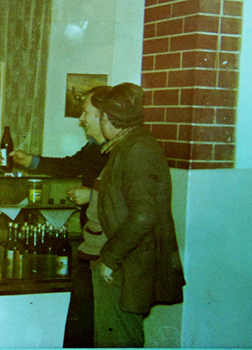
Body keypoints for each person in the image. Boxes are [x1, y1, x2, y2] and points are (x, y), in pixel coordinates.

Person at [11, 85, 111, 348]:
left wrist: (92, 195)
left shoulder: (119, 152)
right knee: (83, 314)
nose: (81, 119)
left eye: (85, 112)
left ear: (103, 116)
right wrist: (31, 161)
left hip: (107, 246)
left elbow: (128, 197)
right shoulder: (95, 147)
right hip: (91, 241)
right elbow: (70, 165)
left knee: (99, 319)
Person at [90, 82, 186, 347]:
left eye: (100, 116)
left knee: (118, 340)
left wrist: (110, 258)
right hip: (126, 260)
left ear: (109, 119)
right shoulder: (130, 143)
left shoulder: (138, 149)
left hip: (127, 264)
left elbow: (143, 216)